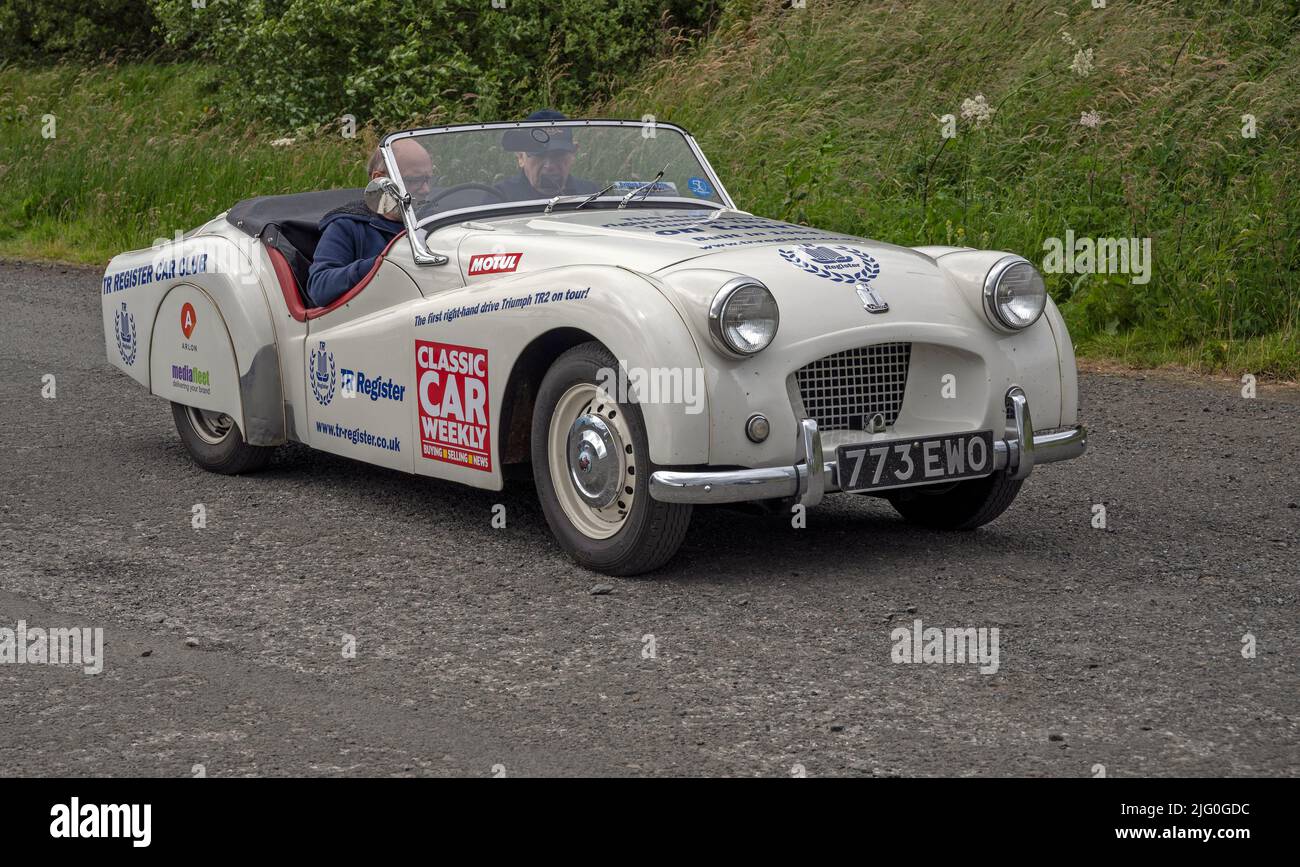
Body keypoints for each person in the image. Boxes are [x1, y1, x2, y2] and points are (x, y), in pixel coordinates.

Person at [305, 140, 434, 307]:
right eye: (414, 180)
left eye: (428, 179)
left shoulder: (434, 220)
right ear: (380, 180)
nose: (426, 190)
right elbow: (320, 287)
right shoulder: (348, 225)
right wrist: (386, 263)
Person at [495, 109, 599, 200]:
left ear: (573, 154)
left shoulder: (591, 194)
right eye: (540, 155)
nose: (549, 166)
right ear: (521, 157)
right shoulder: (500, 197)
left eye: (558, 155)